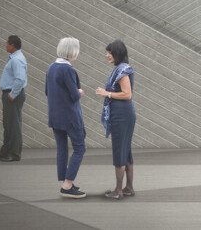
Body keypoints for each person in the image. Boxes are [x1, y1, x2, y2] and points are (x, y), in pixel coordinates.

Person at [95, 40, 136, 199]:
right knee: (126, 151)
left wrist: (107, 94)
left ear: (117, 53)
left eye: (110, 53)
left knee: (120, 150)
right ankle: (128, 188)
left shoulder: (122, 70)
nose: (107, 55)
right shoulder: (122, 68)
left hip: (121, 115)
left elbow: (127, 94)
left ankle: (118, 191)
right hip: (124, 114)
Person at [47, 37, 87, 198]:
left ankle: (65, 180)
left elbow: (47, 92)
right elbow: (74, 95)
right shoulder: (68, 70)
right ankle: (67, 184)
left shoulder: (51, 67)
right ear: (73, 51)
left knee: (62, 148)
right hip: (70, 116)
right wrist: (80, 92)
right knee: (79, 148)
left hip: (54, 115)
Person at [0, 34, 27, 162]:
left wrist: (12, 95)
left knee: (13, 125)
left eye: (7, 43)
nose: (5, 45)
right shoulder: (15, 57)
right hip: (10, 94)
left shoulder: (16, 59)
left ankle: (14, 154)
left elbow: (20, 79)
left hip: (13, 95)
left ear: (12, 45)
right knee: (8, 124)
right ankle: (6, 151)